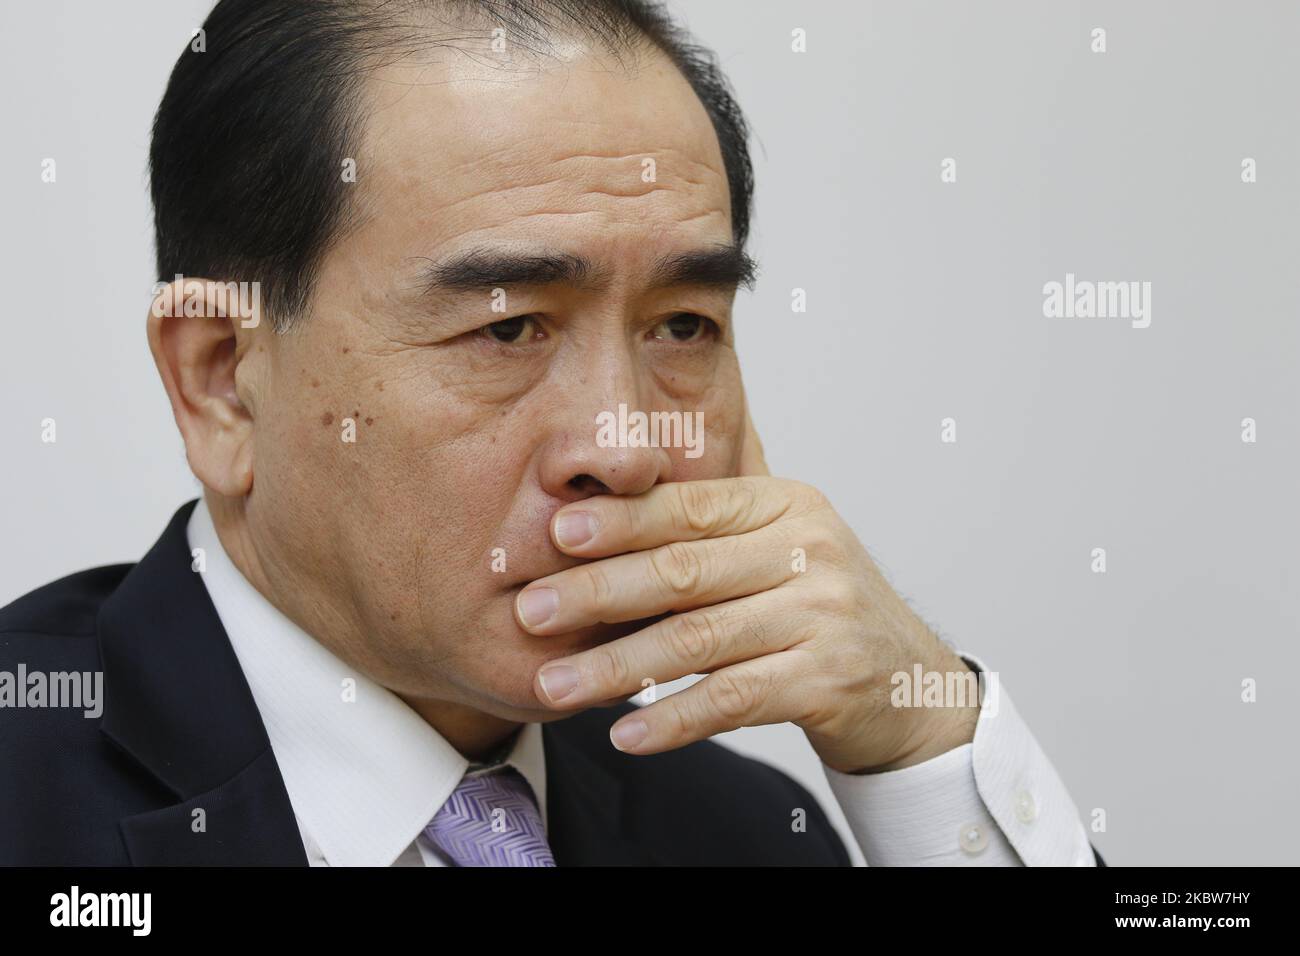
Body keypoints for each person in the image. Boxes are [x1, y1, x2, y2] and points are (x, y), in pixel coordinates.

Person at [0, 0, 1102, 867]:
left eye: (682, 324)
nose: (624, 447)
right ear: (221, 386)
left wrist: (924, 746)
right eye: (508, 326)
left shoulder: (749, 832)